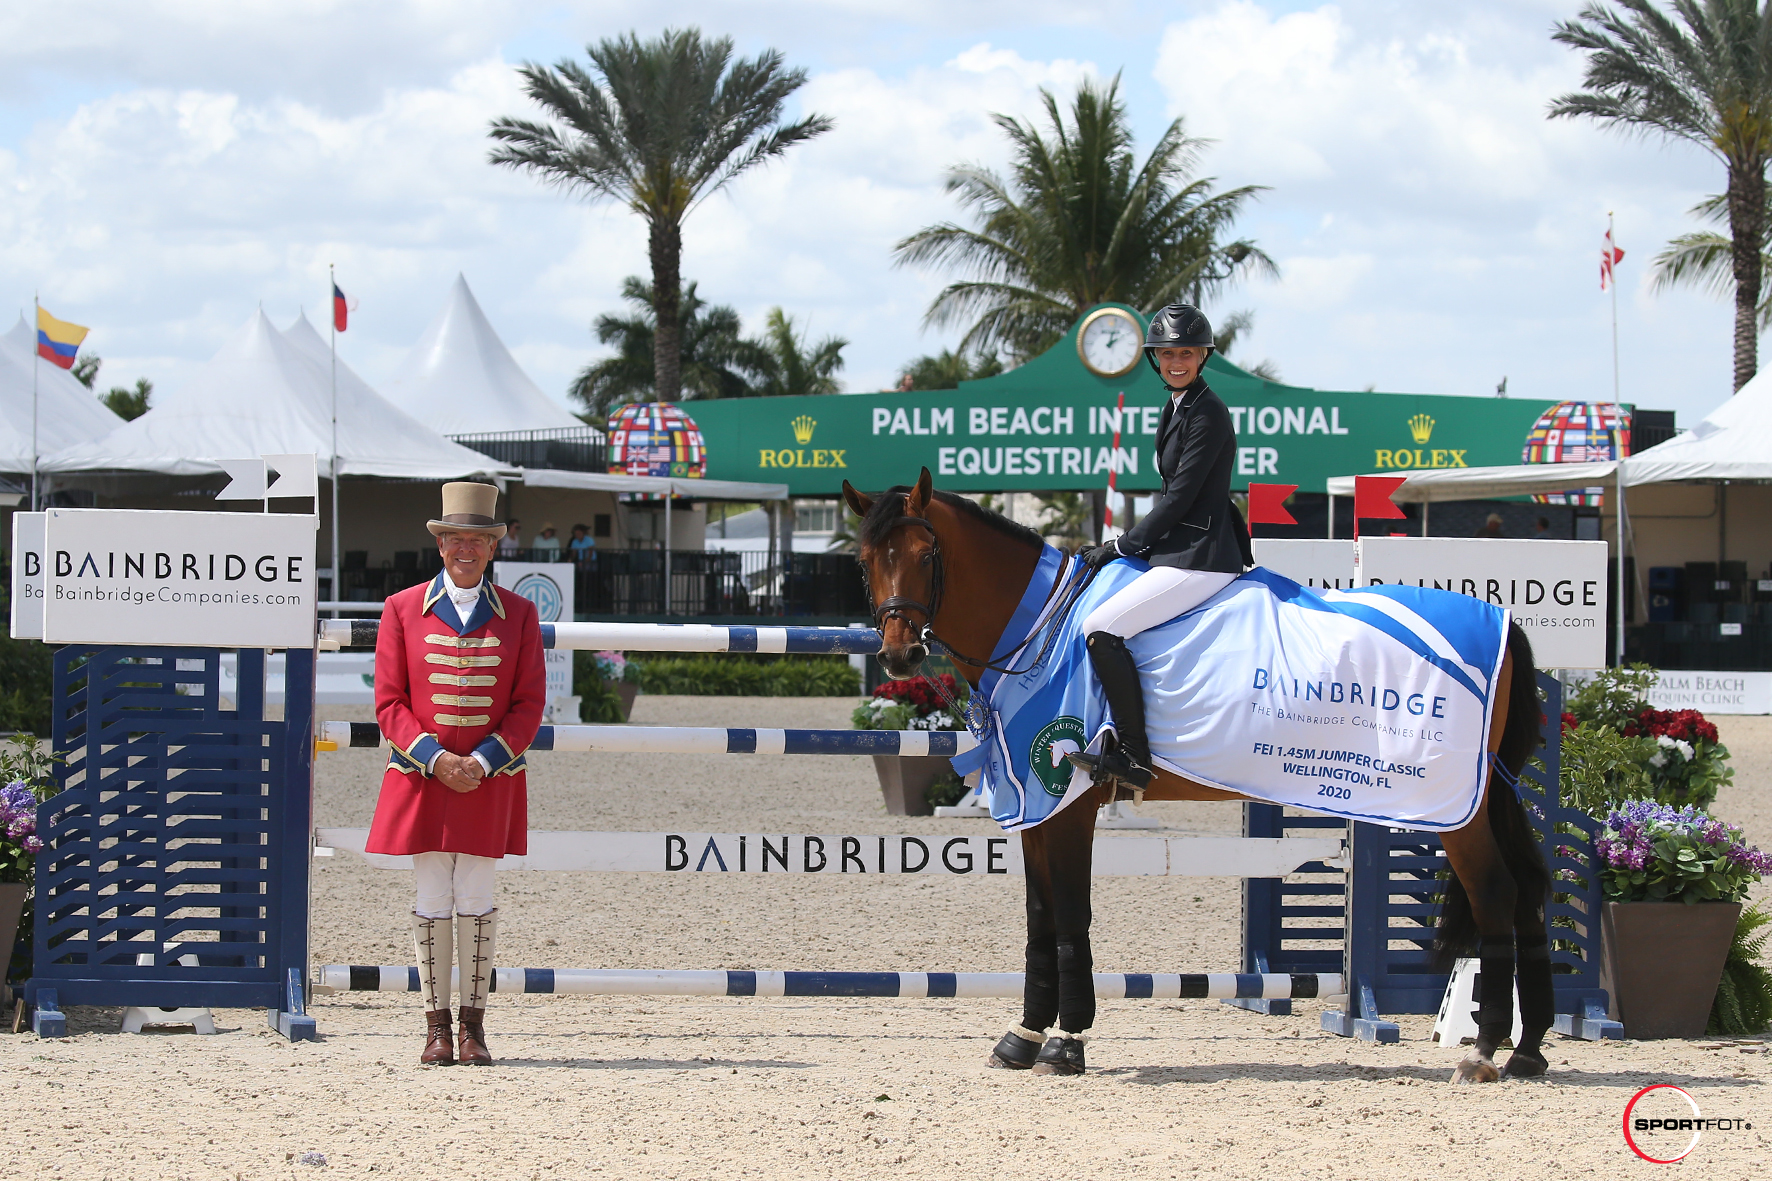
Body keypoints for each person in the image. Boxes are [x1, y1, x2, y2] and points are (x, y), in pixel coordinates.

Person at [365, 482, 546, 1066]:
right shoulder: (401, 608)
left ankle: (474, 1027)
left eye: (476, 540)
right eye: (454, 539)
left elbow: (528, 704)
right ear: (439, 546)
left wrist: (483, 761)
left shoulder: (519, 614)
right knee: (430, 895)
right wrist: (437, 760)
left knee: (476, 894)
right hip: (423, 777)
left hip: (488, 779)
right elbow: (389, 703)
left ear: (493, 548)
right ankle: (434, 1028)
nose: (464, 549)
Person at [1068, 303, 1252, 789]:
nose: (1176, 361)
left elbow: (1180, 497)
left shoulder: (1208, 411)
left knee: (1101, 627)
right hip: (1179, 548)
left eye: (1186, 353)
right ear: (1154, 358)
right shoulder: (1176, 405)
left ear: (1202, 356)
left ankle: (1134, 755)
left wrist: (1122, 545)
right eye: (1167, 353)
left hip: (1202, 555)